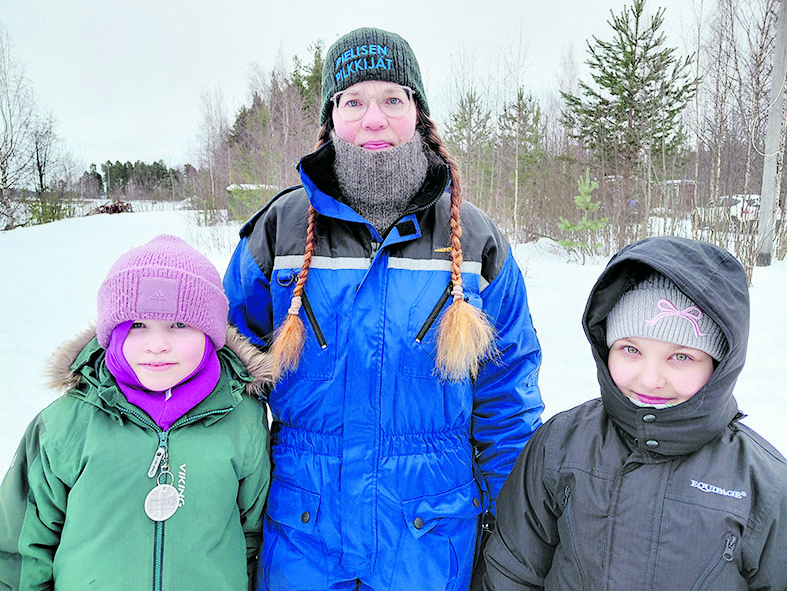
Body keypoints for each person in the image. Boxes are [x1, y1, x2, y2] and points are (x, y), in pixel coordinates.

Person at [223, 27, 544, 591]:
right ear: (331, 117)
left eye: (393, 99)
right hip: (305, 535)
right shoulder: (280, 232)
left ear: (418, 114)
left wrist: (512, 529)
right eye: (354, 101)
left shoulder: (472, 238)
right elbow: (225, 371)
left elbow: (507, 393)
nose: (374, 119)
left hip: (428, 541)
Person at [483, 235, 787, 590]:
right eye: (631, 349)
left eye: (681, 356)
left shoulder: (762, 483)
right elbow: (513, 569)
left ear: (720, 364)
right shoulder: (560, 444)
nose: (650, 378)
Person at [0, 234, 273, 591]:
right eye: (138, 325)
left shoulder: (243, 420)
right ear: (112, 334)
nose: (157, 345)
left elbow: (252, 536)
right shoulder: (66, 424)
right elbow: (21, 549)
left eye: (179, 325)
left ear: (211, 333)